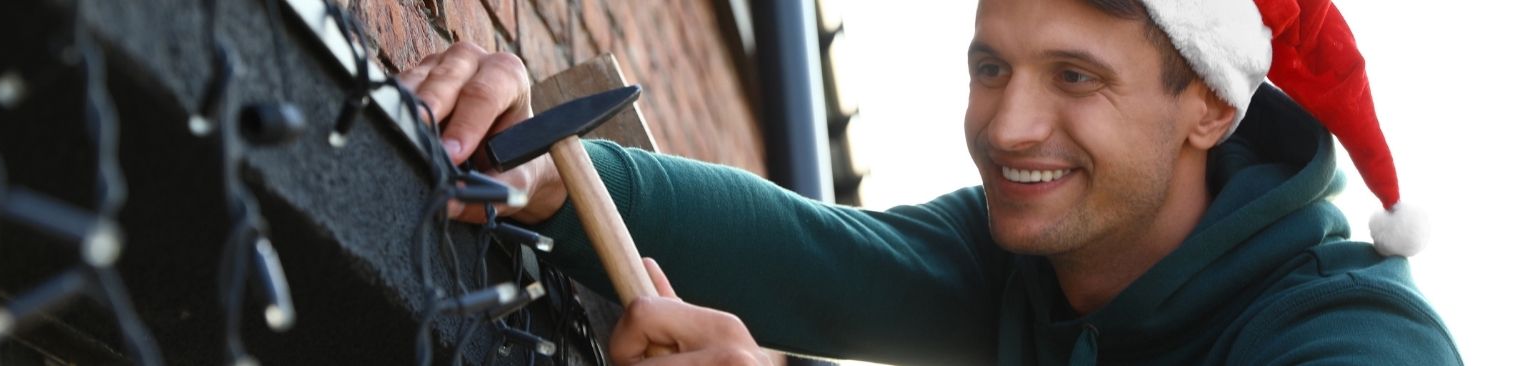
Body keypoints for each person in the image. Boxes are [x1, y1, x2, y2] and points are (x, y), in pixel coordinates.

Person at [396, 0, 1460, 364]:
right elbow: (814, 257)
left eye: (1076, 78)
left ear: (1212, 111)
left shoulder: (1357, 336)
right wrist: (545, 173)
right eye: (988, 65)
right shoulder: (1035, 255)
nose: (1006, 125)